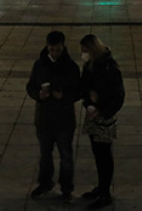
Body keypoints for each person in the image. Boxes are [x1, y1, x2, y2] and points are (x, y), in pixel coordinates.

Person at [26, 30, 81, 201]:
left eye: (57, 50)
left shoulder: (71, 67)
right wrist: (39, 95)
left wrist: (63, 96)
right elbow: (31, 86)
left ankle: (66, 187)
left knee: (66, 155)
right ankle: (45, 182)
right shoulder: (40, 64)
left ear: (63, 47)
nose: (55, 53)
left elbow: (78, 91)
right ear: (47, 47)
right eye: (52, 50)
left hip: (64, 118)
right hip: (44, 117)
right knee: (45, 154)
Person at [78, 34, 125, 210]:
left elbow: (118, 96)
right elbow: (84, 86)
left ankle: (105, 193)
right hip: (93, 115)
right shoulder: (90, 66)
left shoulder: (109, 67)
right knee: (98, 154)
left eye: (85, 51)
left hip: (104, 117)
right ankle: (101, 187)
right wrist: (88, 97)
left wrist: (102, 110)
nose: (83, 55)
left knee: (104, 155)